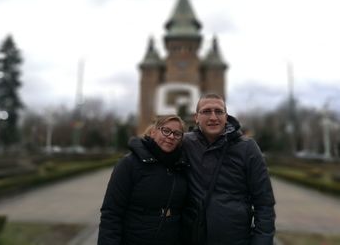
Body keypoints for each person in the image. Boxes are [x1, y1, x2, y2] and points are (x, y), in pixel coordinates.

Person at [182, 93, 276, 245]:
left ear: (226, 116)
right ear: (196, 117)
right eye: (206, 111)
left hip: (235, 239)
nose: (213, 117)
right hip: (191, 237)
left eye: (219, 111)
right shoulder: (185, 143)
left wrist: (262, 241)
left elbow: (264, 203)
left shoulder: (247, 148)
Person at [97, 114, 188, 245]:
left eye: (177, 133)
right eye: (166, 131)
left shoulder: (181, 166)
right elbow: (111, 213)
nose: (171, 136)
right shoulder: (129, 164)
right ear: (153, 132)